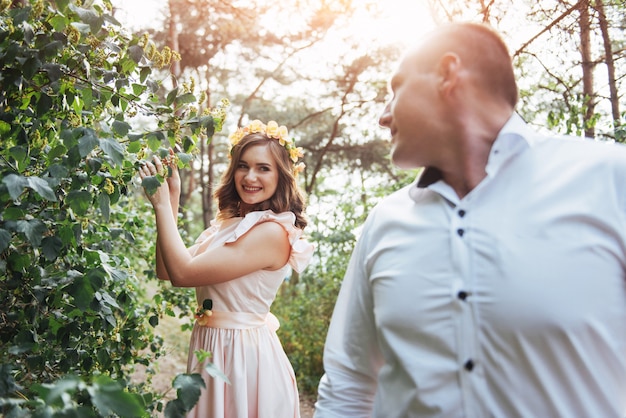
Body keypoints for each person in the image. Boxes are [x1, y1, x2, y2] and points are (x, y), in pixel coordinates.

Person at [314, 22, 626, 417]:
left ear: (447, 74)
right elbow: (349, 382)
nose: (383, 116)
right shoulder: (384, 222)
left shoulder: (612, 181)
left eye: (396, 89)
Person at [139, 119, 314, 418]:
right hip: (212, 350)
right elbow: (167, 270)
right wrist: (172, 199)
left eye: (263, 168)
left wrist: (160, 207)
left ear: (282, 175)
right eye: (243, 166)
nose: (250, 176)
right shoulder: (228, 225)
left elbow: (182, 275)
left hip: (243, 359)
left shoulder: (272, 232)